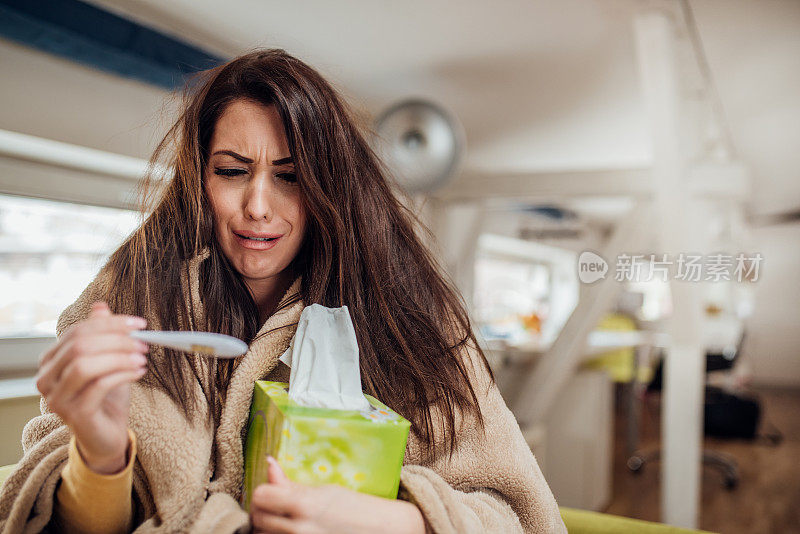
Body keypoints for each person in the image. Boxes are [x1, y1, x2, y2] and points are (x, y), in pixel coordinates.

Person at [0, 49, 565, 533]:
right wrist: (100, 454)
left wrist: (403, 520)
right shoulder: (132, 298)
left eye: (290, 177)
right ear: (199, 179)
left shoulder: (410, 315)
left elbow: (520, 515)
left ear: (331, 187)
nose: (258, 207)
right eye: (231, 171)